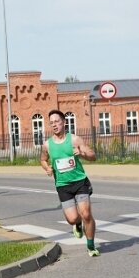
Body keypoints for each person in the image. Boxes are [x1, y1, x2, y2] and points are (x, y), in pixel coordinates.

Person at [40, 109, 100, 257]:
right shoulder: (47, 145)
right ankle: (77, 224)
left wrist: (83, 153)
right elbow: (42, 159)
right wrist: (47, 168)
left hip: (80, 181)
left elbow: (93, 156)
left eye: (57, 122)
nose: (54, 125)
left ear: (64, 123)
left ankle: (91, 246)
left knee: (86, 214)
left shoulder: (74, 140)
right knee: (72, 218)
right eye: (51, 123)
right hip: (63, 185)